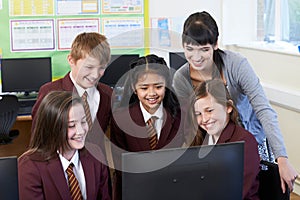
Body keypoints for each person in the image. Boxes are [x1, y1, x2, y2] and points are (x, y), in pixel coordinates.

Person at [172, 11, 298, 192]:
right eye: (189, 50)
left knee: (253, 189)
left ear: (215, 45)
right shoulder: (181, 78)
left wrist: (282, 158)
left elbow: (263, 110)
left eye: (204, 49)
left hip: (250, 139)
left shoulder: (236, 65)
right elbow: (188, 123)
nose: (196, 57)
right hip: (212, 143)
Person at [31, 32, 113, 164]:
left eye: (102, 68)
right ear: (71, 61)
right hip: (58, 168)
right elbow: (39, 141)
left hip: (95, 169)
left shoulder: (107, 94)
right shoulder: (50, 92)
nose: (95, 75)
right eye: (89, 67)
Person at [110, 54, 182, 200]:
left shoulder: (180, 115)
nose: (151, 93)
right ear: (134, 88)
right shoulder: (121, 119)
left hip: (172, 190)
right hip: (137, 192)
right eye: (144, 87)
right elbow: (120, 170)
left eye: (158, 86)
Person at [18, 91, 111, 200]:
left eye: (83, 122)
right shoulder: (30, 166)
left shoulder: (95, 154)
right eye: (72, 125)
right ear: (52, 127)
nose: (80, 131)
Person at [187, 79, 260, 199]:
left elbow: (234, 193)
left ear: (228, 107)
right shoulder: (200, 137)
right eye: (198, 114)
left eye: (209, 111)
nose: (204, 119)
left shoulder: (245, 142)